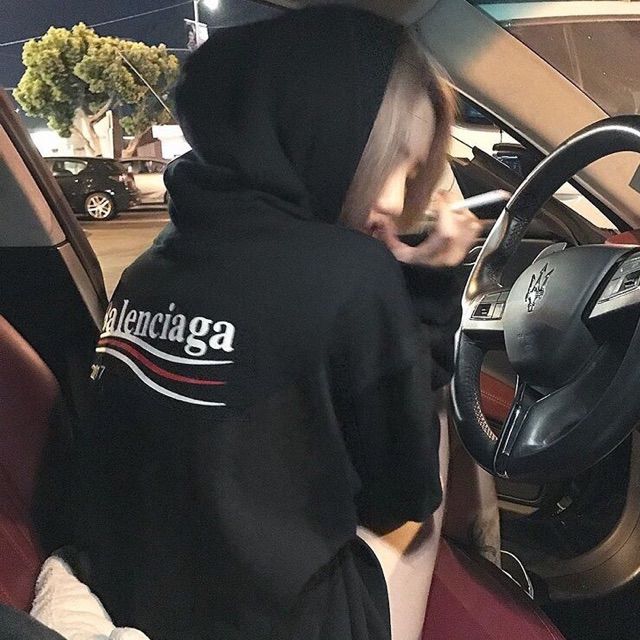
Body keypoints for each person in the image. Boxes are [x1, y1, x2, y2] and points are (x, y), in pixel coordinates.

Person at [76, 7, 480, 640]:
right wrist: (429, 295)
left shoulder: (150, 267)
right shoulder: (352, 274)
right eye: (392, 162)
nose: (396, 201)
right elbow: (404, 495)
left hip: (137, 600)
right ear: (326, 129)